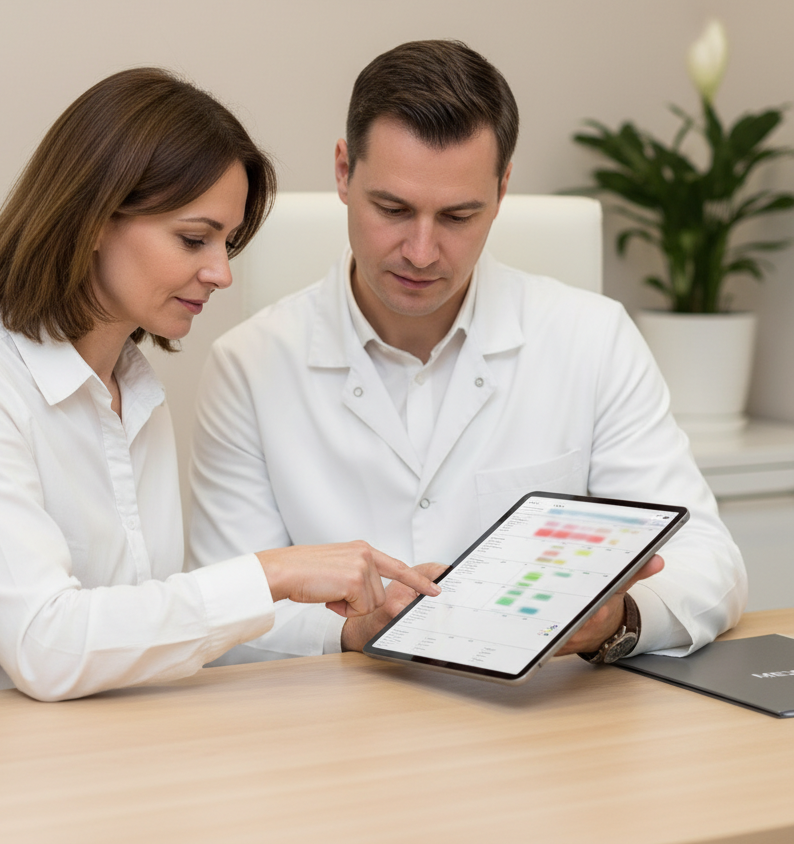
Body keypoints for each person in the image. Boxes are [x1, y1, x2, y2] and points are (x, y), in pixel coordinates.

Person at [0, 69, 440, 705]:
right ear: (95, 219)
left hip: (78, 749)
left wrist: (351, 625)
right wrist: (272, 572)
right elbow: (47, 648)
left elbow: (141, 620)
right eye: (194, 239)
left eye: (227, 242)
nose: (220, 273)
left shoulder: (134, 391)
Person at [188, 40, 747, 666]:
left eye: (458, 216)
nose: (421, 252)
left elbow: (709, 563)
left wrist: (618, 618)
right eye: (393, 209)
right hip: (337, 733)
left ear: (503, 189)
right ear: (344, 172)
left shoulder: (592, 338)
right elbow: (222, 611)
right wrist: (349, 630)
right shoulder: (248, 364)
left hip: (540, 726)